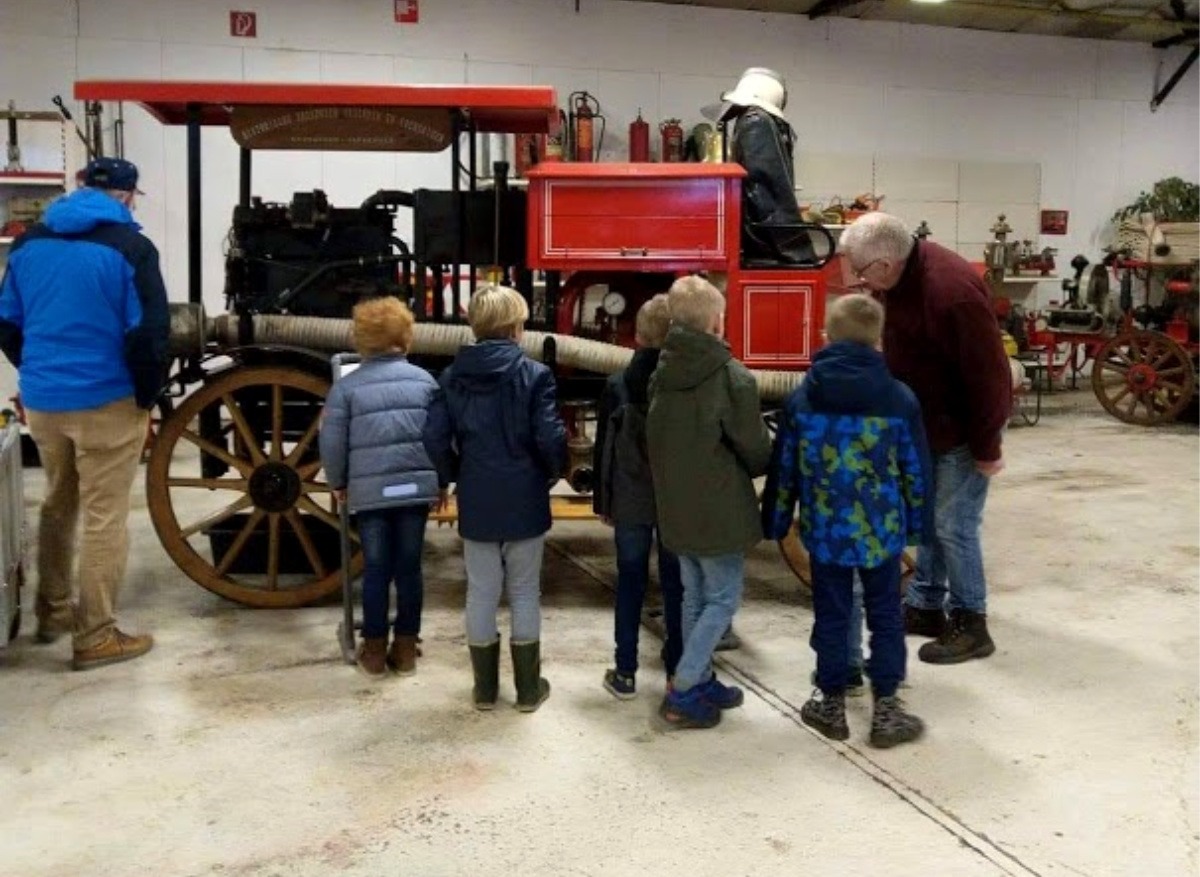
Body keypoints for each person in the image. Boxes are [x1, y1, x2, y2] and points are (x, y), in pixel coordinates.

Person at [0, 156, 168, 670]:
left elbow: (7, 322)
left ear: (77, 189)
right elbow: (149, 335)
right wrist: (147, 395)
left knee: (57, 502)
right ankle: (96, 634)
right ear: (125, 196)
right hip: (107, 399)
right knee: (104, 517)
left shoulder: (29, 243)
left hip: (46, 401)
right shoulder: (132, 249)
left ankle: (52, 613)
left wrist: (37, 373)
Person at [838, 212, 1010, 664]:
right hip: (928, 425)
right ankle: (927, 604)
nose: (858, 281)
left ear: (886, 263)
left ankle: (971, 621)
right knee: (928, 518)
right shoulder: (898, 280)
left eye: (861, 271)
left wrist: (987, 446)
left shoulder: (951, 292)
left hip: (963, 427)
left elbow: (990, 377)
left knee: (954, 526)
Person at [763, 293, 931, 747]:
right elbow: (915, 468)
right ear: (879, 340)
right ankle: (888, 709)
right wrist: (918, 525)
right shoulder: (899, 399)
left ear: (825, 336)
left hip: (825, 530)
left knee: (832, 614)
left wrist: (777, 519)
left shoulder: (802, 399)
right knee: (886, 615)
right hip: (882, 531)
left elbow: (785, 468)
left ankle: (831, 702)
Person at [424, 284, 567, 712]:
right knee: (524, 592)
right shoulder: (535, 375)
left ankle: (484, 690)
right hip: (524, 494)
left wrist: (451, 476)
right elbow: (550, 436)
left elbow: (433, 435)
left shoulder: (451, 378)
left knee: (481, 592)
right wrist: (552, 472)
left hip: (477, 494)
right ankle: (527, 690)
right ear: (515, 328)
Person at [647, 275, 771, 729]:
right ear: (717, 322)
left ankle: (699, 678)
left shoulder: (662, 374)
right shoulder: (731, 377)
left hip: (675, 506)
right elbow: (754, 445)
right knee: (722, 599)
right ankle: (682, 688)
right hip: (719, 509)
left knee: (693, 597)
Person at [319, 296, 442, 678]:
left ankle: (373, 650)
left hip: (371, 496)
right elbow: (440, 438)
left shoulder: (346, 389)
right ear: (406, 337)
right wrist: (440, 482)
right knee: (409, 568)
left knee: (376, 569)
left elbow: (333, 443)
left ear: (361, 341)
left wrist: (338, 481)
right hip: (415, 490)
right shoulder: (426, 382)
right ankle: (405, 648)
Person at [593, 293, 683, 699]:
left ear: (638, 335)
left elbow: (604, 450)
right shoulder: (684, 383)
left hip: (629, 498)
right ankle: (676, 670)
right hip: (674, 499)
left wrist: (603, 501)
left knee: (629, 581)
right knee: (675, 584)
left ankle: (625, 670)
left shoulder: (618, 383)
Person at [705, 67, 814, 265]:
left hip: (756, 238)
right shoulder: (757, 122)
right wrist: (798, 250)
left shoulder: (748, 121)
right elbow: (767, 191)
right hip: (765, 246)